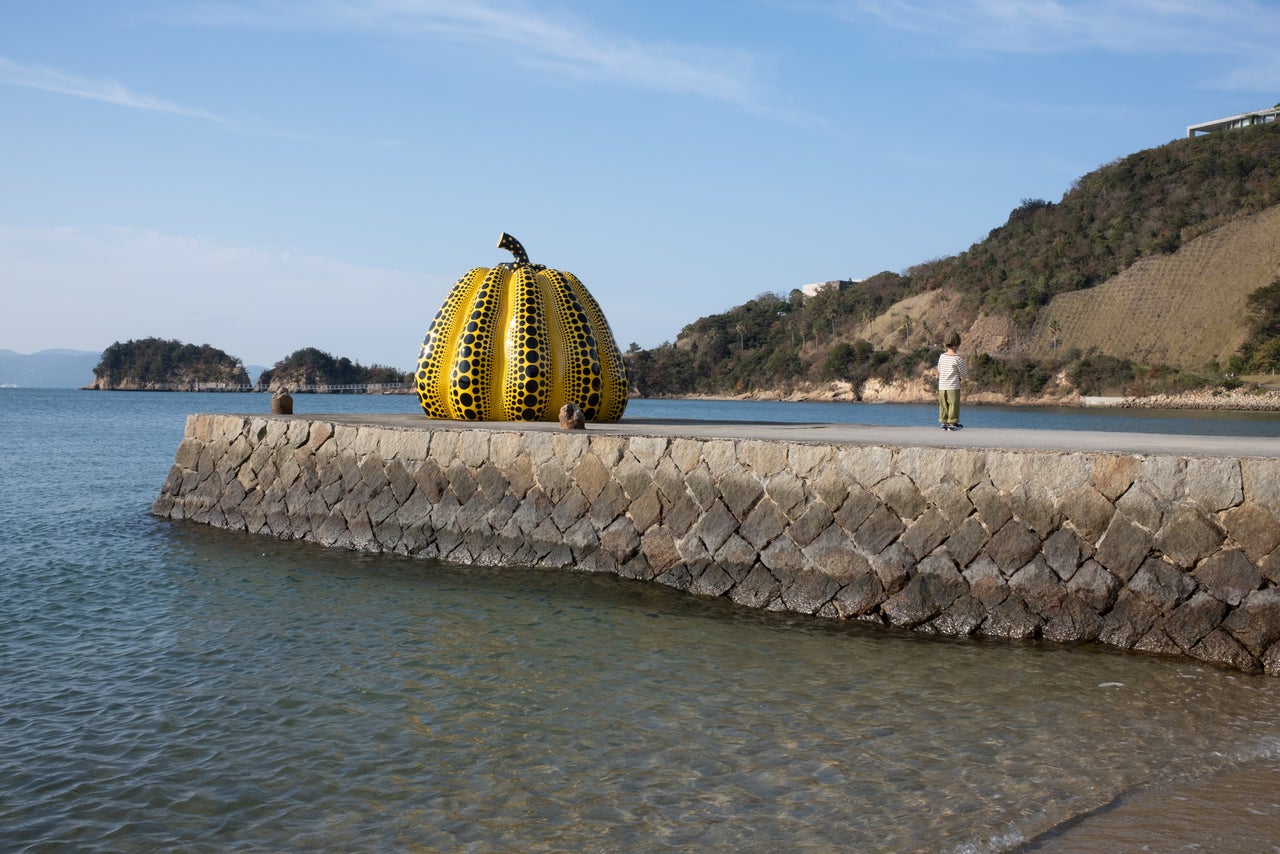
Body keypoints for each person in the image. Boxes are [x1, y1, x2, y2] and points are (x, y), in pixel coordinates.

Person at [937, 332, 969, 430]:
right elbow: (964, 372)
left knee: (944, 405)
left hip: (942, 386)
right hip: (953, 386)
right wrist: (959, 375)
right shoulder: (957, 358)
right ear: (958, 344)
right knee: (953, 404)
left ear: (945, 343)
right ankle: (952, 423)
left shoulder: (942, 356)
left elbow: (939, 369)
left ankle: (944, 422)